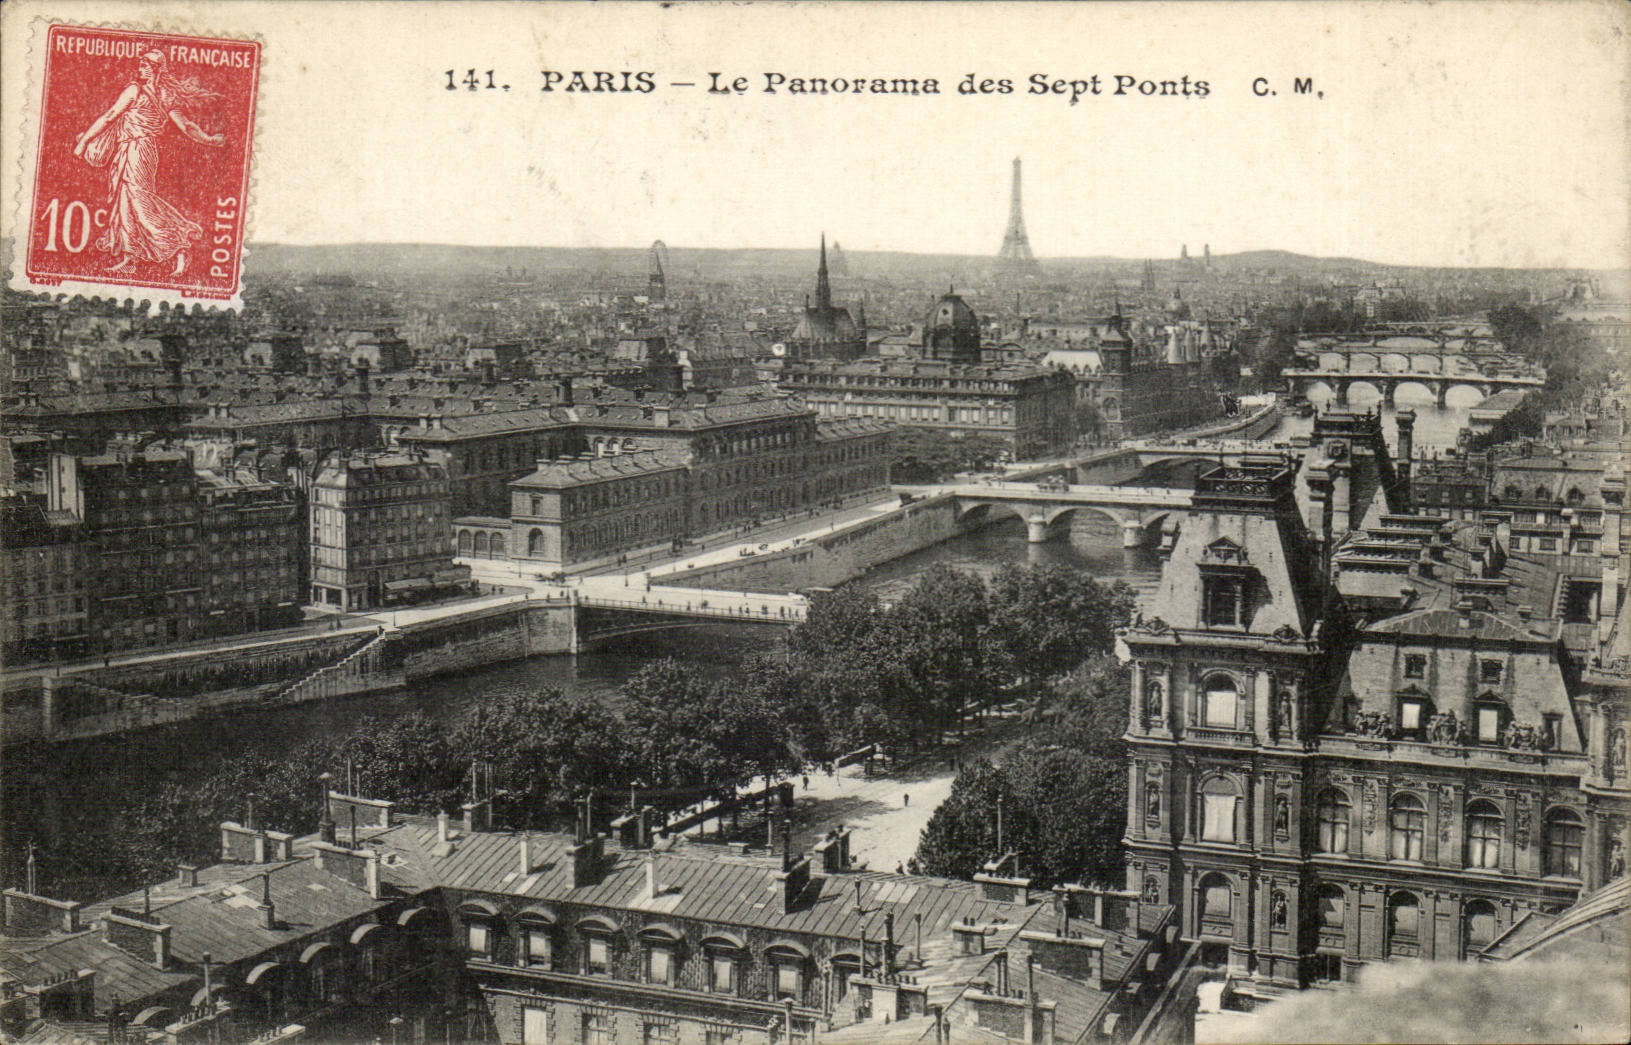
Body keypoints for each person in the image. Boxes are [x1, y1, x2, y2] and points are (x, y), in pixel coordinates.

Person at [74, 50, 226, 275]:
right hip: (135, 150)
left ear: (156, 68)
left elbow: (110, 117)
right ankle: (131, 258)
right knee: (126, 202)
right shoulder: (160, 95)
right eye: (140, 65)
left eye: (145, 65)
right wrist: (209, 139)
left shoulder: (139, 91)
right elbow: (186, 126)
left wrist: (84, 142)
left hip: (138, 150)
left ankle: (179, 246)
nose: (140, 69)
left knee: (140, 202)